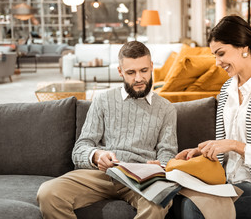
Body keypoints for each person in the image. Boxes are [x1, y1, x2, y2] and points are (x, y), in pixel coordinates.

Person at [174, 15, 251, 219]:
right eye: (215, 55)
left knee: (195, 207)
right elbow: (224, 150)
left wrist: (235, 145)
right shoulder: (226, 91)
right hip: (227, 184)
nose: (216, 63)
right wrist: (201, 151)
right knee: (175, 196)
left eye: (221, 53)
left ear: (244, 48)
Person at [37, 41, 178, 219]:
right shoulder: (102, 101)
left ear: (151, 67)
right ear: (120, 72)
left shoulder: (166, 108)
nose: (139, 78)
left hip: (141, 180)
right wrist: (96, 156)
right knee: (48, 193)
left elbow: (168, 154)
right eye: (130, 72)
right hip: (101, 175)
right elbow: (80, 149)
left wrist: (161, 167)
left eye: (144, 70)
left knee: (159, 203)